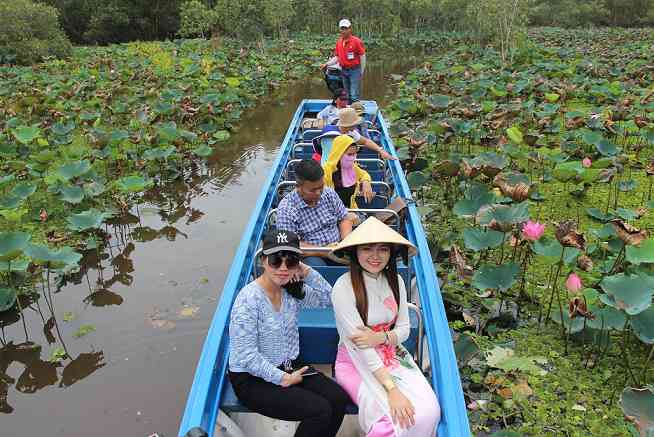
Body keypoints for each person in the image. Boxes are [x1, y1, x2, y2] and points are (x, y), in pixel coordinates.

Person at [228, 230, 350, 437]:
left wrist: (307, 272)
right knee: (319, 411)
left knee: (338, 398)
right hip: (252, 378)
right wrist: (283, 378)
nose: (283, 268)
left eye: (291, 261)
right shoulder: (248, 300)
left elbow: (331, 300)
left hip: (288, 364)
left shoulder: (292, 289)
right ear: (263, 261)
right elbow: (246, 356)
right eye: (276, 260)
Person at [329, 217, 441, 436]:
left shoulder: (396, 281)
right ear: (355, 252)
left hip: (393, 355)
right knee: (391, 421)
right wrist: (392, 390)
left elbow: (404, 330)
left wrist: (379, 338)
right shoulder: (343, 287)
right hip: (355, 361)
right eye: (367, 248)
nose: (375, 256)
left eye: (383, 249)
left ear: (391, 253)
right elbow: (362, 347)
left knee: (430, 412)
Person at [276, 159, 356, 265]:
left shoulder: (328, 193)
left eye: (321, 187)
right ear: (298, 187)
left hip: (338, 246)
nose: (318, 193)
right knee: (315, 267)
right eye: (312, 190)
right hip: (313, 255)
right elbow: (290, 244)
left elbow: (344, 218)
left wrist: (346, 243)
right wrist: (324, 251)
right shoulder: (286, 210)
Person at [320, 18, 366, 105]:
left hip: (354, 70)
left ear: (350, 29)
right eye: (342, 28)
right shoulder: (339, 42)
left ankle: (356, 113)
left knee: (354, 95)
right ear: (340, 29)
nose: (344, 31)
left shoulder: (357, 41)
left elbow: (362, 57)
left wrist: (361, 71)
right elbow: (337, 57)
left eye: (346, 28)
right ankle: (348, 113)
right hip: (344, 70)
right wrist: (326, 64)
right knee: (347, 95)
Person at [323, 134, 374, 208]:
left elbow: (364, 174)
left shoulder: (351, 168)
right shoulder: (326, 171)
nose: (353, 158)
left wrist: (366, 182)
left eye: (354, 154)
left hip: (351, 209)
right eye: (349, 154)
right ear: (338, 154)